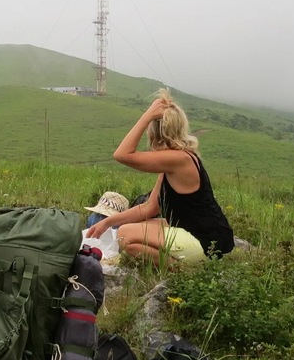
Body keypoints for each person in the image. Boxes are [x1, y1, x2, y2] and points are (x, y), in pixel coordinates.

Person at [84, 90, 234, 265]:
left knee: (126, 235)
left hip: (206, 241)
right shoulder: (175, 160)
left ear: (156, 131)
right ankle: (184, 263)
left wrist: (146, 116)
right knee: (138, 225)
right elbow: (149, 207)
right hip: (203, 232)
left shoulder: (179, 159)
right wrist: (107, 222)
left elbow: (122, 154)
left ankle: (184, 271)